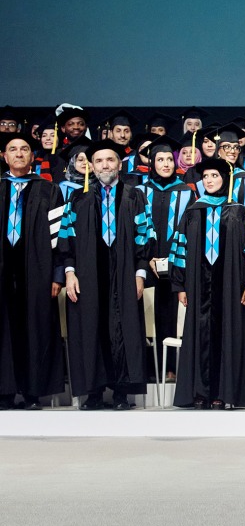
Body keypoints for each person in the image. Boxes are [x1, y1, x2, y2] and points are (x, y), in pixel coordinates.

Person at [59, 139, 154, 409]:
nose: (104, 165)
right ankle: (94, 393)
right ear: (90, 165)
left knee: (124, 329)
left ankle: (122, 392)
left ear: (120, 164)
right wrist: (70, 273)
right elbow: (67, 238)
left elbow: (143, 237)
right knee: (91, 328)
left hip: (124, 272)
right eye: (99, 161)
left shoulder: (135, 195)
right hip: (89, 273)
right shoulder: (78, 198)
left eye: (110, 160)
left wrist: (139, 273)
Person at [168, 157, 245, 409]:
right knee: (200, 333)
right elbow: (180, 249)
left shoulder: (239, 211)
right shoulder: (193, 211)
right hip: (197, 286)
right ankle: (200, 390)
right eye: (205, 177)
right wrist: (180, 285)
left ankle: (223, 392)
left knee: (228, 333)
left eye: (215, 176)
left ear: (224, 179)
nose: (209, 180)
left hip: (231, 285)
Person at [0, 132, 66, 409]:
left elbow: (60, 237)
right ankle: (3, 390)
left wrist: (57, 274)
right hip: (3, 270)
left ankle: (31, 391)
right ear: (4, 156)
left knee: (35, 327)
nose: (18, 153)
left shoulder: (49, 190)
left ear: (32, 156)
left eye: (24, 149)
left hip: (37, 272)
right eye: (12, 149)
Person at [135, 136, 194, 381]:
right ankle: (147, 368)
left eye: (169, 159)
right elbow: (137, 226)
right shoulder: (139, 192)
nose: (166, 164)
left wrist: (172, 258)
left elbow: (187, 229)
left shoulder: (186, 192)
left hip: (176, 264)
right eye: (160, 159)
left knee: (170, 314)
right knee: (145, 316)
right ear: (152, 163)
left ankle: (171, 368)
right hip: (145, 266)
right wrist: (147, 257)